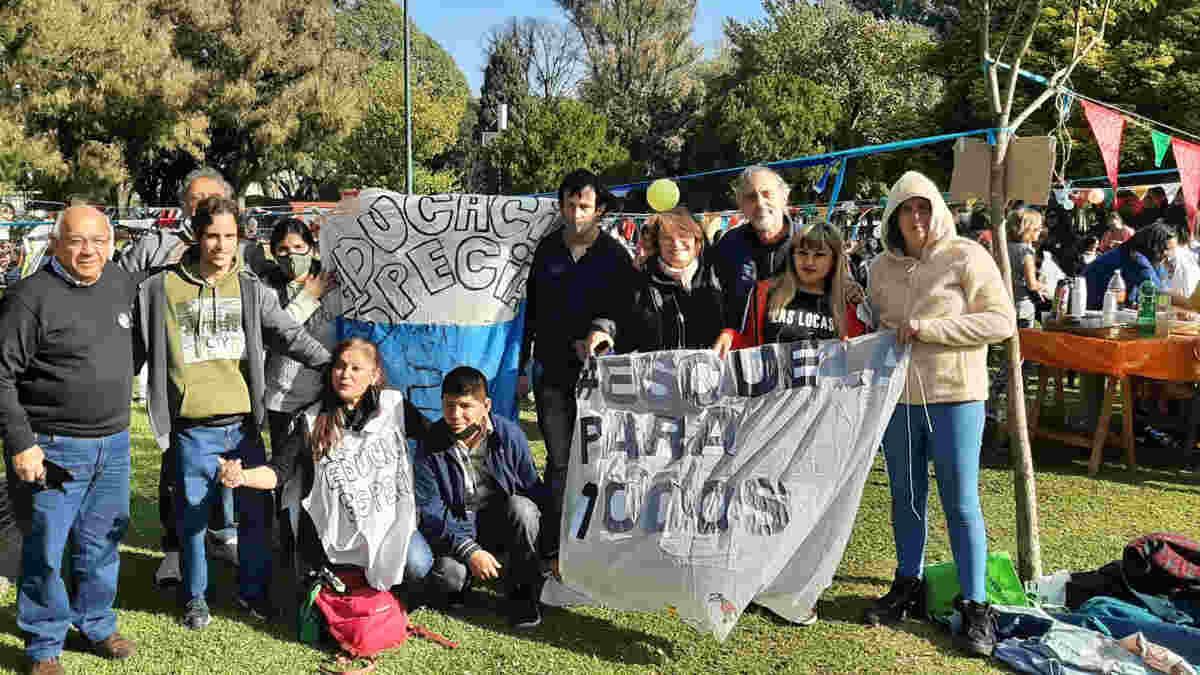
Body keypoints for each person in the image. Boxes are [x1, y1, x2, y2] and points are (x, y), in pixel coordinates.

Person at [134, 196, 331, 630]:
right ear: (196, 235)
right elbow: (132, 351)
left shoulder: (250, 289)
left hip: (243, 429)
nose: (221, 245)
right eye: (212, 235)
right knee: (192, 519)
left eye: (229, 236)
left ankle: (253, 593)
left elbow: (289, 335)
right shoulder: (159, 289)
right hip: (190, 430)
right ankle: (195, 599)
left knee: (255, 517)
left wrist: (333, 366)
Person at [863, 171, 1016, 657]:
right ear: (893, 217)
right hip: (899, 400)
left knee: (961, 500)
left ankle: (975, 604)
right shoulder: (879, 268)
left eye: (924, 207)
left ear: (939, 210)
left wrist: (930, 328)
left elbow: (1002, 321)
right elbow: (878, 324)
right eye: (906, 209)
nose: (917, 217)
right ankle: (907, 583)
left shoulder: (967, 255)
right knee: (906, 496)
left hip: (956, 395)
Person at [0, 206, 139, 674]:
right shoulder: (29, 298)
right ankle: (44, 643)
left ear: (111, 244)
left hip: (114, 445)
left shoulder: (120, 283)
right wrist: (21, 443)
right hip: (52, 447)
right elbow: (1, 376)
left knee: (102, 542)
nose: (88, 251)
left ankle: (96, 622)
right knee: (45, 548)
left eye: (98, 240)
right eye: (77, 240)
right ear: (55, 243)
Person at [118, 167, 269, 585]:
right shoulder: (155, 245)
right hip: (180, 392)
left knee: (231, 473)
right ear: (185, 206)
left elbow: (268, 309)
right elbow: (121, 288)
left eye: (212, 199)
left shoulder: (247, 254)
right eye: (196, 199)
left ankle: (223, 536)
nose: (203, 206)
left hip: (231, 388)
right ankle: (174, 550)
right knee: (177, 475)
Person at [217, 338, 433, 597]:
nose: (345, 374)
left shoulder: (394, 406)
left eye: (356, 368)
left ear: (374, 375)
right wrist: (242, 476)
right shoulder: (311, 420)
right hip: (332, 534)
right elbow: (278, 472)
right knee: (335, 585)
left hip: (388, 524)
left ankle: (389, 598)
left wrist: (466, 423)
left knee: (418, 564)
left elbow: (434, 437)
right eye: (340, 366)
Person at [520, 169, 636, 577]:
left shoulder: (615, 255)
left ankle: (594, 544)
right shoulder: (547, 249)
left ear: (599, 209)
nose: (576, 213)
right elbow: (531, 311)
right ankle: (554, 547)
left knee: (597, 462)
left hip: (597, 379)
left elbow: (626, 311)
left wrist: (602, 331)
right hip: (550, 372)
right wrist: (522, 365)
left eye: (584, 205)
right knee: (559, 461)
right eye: (569, 205)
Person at [415, 367, 549, 629]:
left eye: (465, 406)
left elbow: (533, 489)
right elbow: (430, 511)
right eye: (449, 405)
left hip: (501, 522)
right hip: (459, 530)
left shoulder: (509, 434)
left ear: (486, 405)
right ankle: (470, 577)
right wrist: (469, 550)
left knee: (523, 508)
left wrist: (552, 550)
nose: (455, 415)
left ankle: (523, 592)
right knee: (448, 578)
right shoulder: (430, 442)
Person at [591, 208, 726, 353]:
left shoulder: (717, 275)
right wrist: (601, 331)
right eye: (667, 237)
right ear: (658, 244)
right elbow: (615, 314)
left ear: (697, 242)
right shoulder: (639, 280)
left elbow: (736, 316)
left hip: (712, 365)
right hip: (657, 367)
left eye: (683, 235)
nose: (676, 243)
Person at [711, 166, 796, 355]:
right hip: (743, 356)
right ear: (741, 205)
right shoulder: (728, 244)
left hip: (798, 355)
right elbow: (713, 298)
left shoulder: (810, 243)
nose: (760, 203)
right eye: (750, 197)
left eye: (767, 194)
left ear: (784, 197)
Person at [749, 221, 866, 345]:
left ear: (834, 260)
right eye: (802, 253)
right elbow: (747, 344)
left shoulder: (848, 302)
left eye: (819, 255)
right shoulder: (765, 292)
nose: (809, 262)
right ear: (792, 255)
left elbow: (858, 350)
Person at [1083, 222, 1176, 310]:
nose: (1168, 254)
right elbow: (1159, 294)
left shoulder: (1154, 260)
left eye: (1171, 250)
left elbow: (1163, 293)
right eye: (1166, 249)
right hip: (1089, 311)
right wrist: (1182, 305)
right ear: (1152, 244)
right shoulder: (1134, 257)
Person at [1006, 209, 1049, 327]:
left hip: (1005, 304)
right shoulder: (1025, 251)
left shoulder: (1004, 248)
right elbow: (1031, 285)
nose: (1041, 230)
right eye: (1038, 228)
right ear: (1029, 229)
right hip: (1022, 308)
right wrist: (1046, 287)